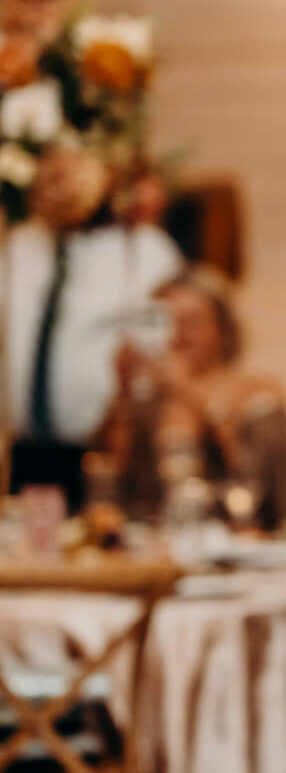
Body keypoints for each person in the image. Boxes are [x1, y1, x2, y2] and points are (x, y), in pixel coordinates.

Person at [4, 147, 182, 510]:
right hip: (27, 452)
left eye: (72, 171)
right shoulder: (20, 245)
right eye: (49, 171)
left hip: (109, 455)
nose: (58, 185)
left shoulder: (145, 251)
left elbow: (167, 345)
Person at [97, 265, 286, 531]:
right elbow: (113, 483)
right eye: (167, 322)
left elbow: (269, 487)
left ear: (222, 327)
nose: (179, 335)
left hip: (241, 540)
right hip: (155, 544)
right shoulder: (147, 401)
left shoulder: (260, 391)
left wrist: (189, 394)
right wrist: (121, 392)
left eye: (191, 323)